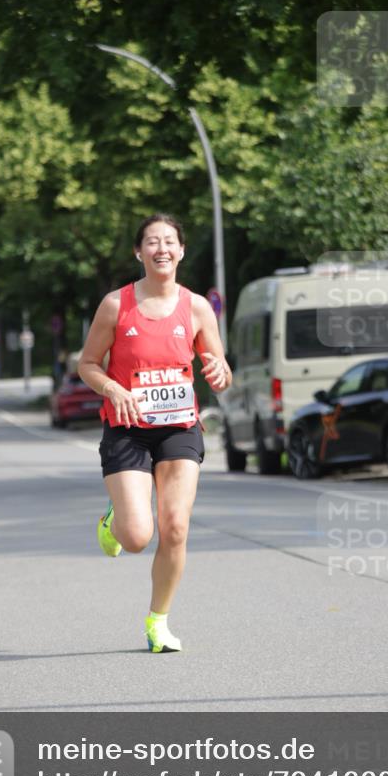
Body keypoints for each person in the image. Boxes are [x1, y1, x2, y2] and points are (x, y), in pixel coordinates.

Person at [78, 214, 232, 653]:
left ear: (181, 251)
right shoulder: (116, 305)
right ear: (139, 252)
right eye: (152, 242)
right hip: (127, 427)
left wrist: (221, 372)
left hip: (180, 426)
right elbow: (87, 363)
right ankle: (115, 519)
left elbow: (220, 368)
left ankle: (158, 621)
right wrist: (111, 387)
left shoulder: (198, 307)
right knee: (137, 538)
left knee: (176, 527)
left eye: (169, 241)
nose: (161, 249)